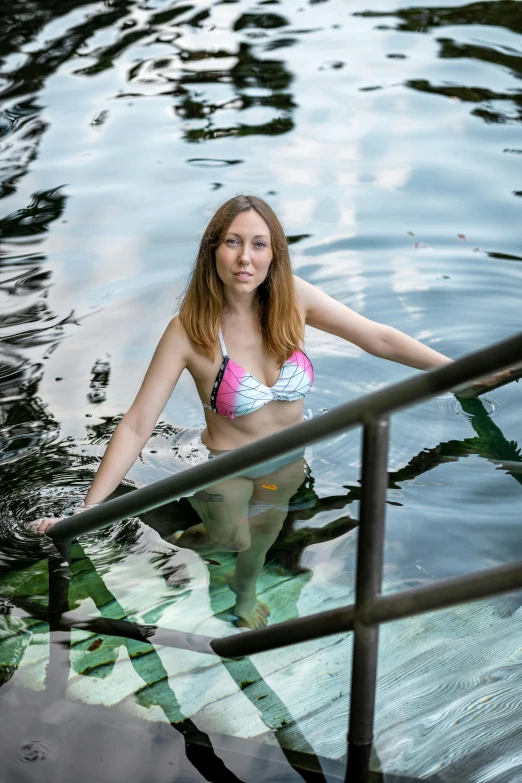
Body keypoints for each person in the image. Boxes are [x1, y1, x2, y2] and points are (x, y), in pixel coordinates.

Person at [32, 195, 514, 628]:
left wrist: (463, 375)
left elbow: (378, 337)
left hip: (288, 463)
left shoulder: (293, 300)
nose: (246, 257)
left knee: (259, 544)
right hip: (228, 468)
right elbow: (138, 423)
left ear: (274, 253)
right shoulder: (190, 331)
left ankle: (242, 592)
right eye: (233, 242)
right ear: (212, 252)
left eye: (259, 244)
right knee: (231, 541)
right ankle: (170, 522)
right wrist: (88, 511)